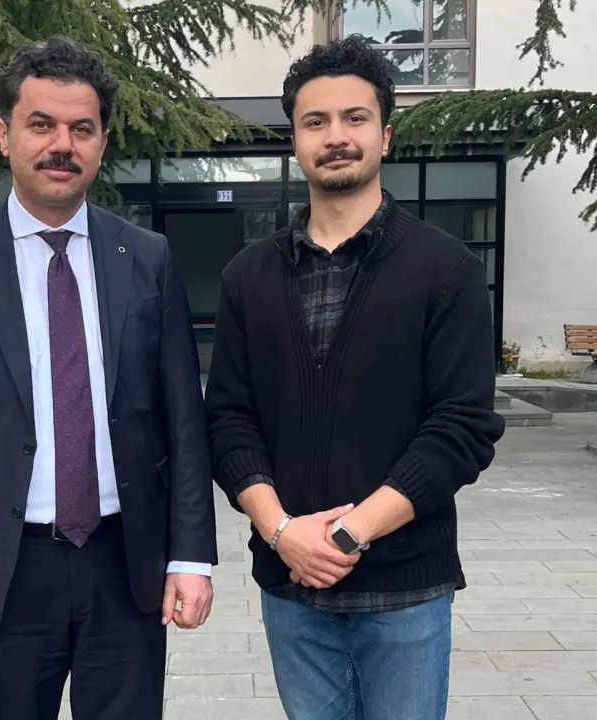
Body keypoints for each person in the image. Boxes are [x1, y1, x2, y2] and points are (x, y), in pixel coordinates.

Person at [0, 36, 217, 720]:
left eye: (81, 129)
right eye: (41, 125)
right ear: (4, 134)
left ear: (102, 142)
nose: (61, 145)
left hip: (125, 566)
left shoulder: (148, 259)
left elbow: (183, 421)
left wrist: (192, 556)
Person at [204, 36, 507, 720]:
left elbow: (461, 428)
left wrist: (345, 536)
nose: (335, 136)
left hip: (406, 591)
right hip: (290, 588)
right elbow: (228, 419)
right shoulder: (249, 276)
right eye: (315, 121)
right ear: (295, 141)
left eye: (355, 118)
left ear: (385, 135)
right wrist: (282, 532)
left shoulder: (445, 269)